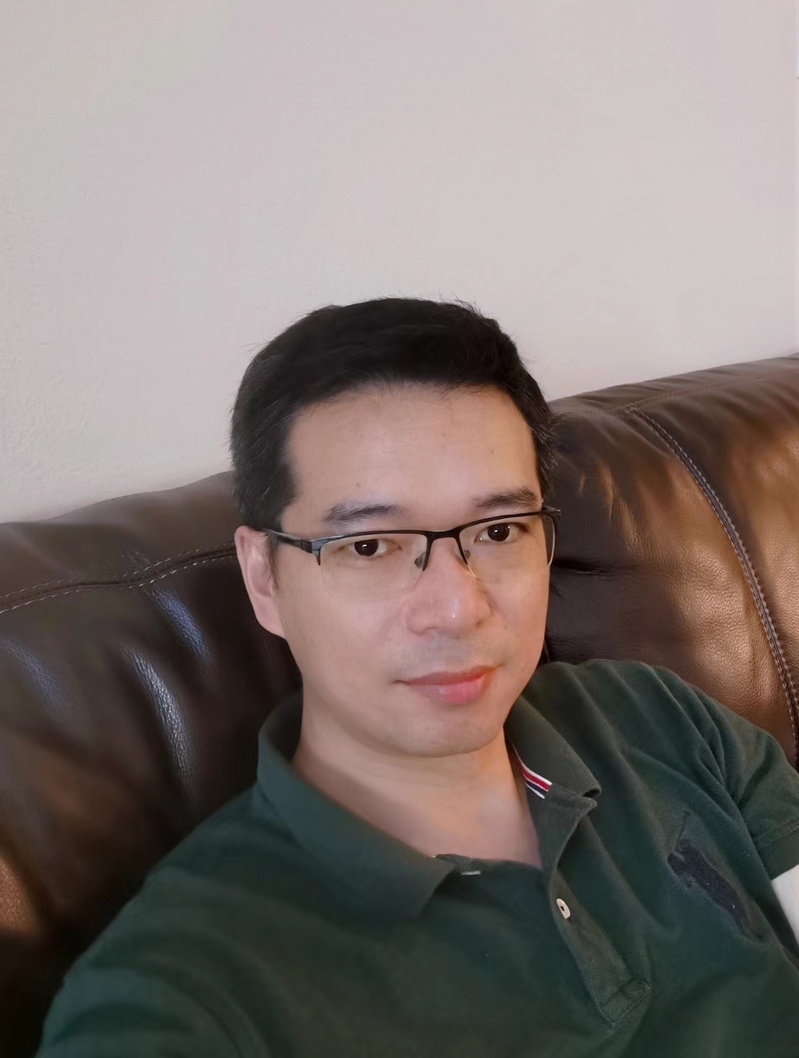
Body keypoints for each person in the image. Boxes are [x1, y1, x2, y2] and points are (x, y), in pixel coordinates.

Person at [35, 299, 799, 1056]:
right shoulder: (186, 993)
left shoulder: (656, 716)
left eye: (498, 531)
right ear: (264, 577)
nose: (457, 608)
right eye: (369, 546)